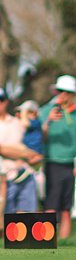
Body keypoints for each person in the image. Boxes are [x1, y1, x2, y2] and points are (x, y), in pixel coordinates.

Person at [0, 86, 42, 213]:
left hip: (25, 174)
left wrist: (28, 154)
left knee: (26, 218)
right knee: (6, 220)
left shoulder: (17, 122)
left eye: (1, 99)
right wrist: (25, 154)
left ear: (7, 101)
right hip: (2, 177)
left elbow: (33, 147)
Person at [40, 75, 76, 239]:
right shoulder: (46, 110)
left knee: (66, 207)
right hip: (52, 162)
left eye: (68, 92)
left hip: (71, 164)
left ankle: (64, 242)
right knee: (51, 205)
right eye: (61, 91)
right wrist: (49, 121)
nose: (64, 95)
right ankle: (48, 240)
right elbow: (39, 136)